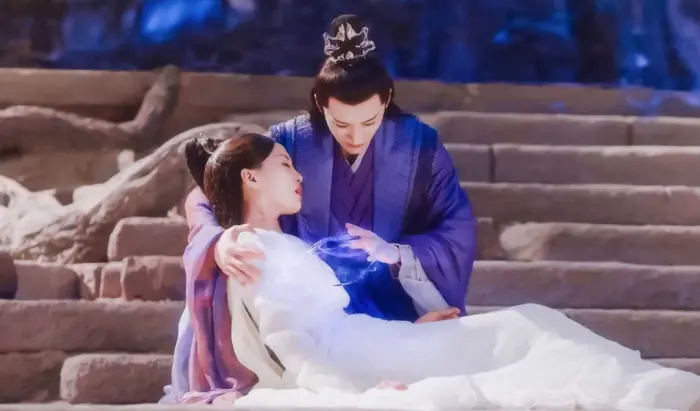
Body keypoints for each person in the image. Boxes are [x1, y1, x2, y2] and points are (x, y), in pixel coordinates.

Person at [187, 133, 700, 411]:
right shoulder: (249, 246)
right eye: (284, 164)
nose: (298, 173)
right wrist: (353, 396)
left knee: (526, 323)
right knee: (524, 330)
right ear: (251, 176)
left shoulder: (280, 243)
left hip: (373, 340)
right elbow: (291, 343)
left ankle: (654, 392)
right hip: (355, 358)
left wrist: (408, 329)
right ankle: (654, 395)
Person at [161, 14, 475, 404]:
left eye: (370, 121)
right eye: (340, 123)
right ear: (319, 103)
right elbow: (208, 191)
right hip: (307, 312)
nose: (355, 136)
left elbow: (454, 228)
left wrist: (396, 253)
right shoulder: (290, 143)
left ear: (387, 100)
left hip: (393, 306)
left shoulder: (420, 147)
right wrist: (217, 242)